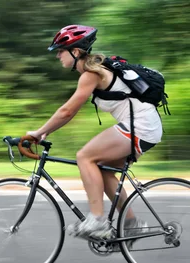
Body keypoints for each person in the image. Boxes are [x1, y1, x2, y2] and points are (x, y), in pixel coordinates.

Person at [26, 25, 161, 240]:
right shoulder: (96, 71)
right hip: (146, 128)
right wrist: (45, 132)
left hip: (141, 127)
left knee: (85, 156)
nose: (58, 55)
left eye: (61, 50)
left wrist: (40, 132)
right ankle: (131, 224)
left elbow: (67, 111)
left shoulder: (92, 74)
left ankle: (97, 221)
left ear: (76, 51)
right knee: (103, 170)